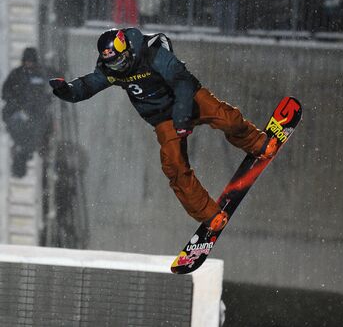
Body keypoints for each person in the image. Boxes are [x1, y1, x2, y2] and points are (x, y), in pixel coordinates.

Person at [49, 28, 278, 230]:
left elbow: (182, 81)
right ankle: (208, 214)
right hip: (162, 118)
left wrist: (182, 117)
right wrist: (67, 91)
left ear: (127, 50)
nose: (119, 68)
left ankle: (256, 143)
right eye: (113, 64)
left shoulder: (152, 53)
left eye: (120, 61)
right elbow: (89, 84)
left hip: (187, 100)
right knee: (174, 166)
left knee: (227, 119)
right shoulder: (111, 70)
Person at [2, 47, 52, 177]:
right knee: (24, 132)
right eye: (27, 61)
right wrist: (17, 104)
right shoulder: (16, 74)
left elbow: (54, 84)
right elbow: (5, 92)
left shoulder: (42, 73)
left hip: (36, 115)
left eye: (31, 61)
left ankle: (23, 158)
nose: (29, 64)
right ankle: (21, 160)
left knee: (35, 132)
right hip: (18, 114)